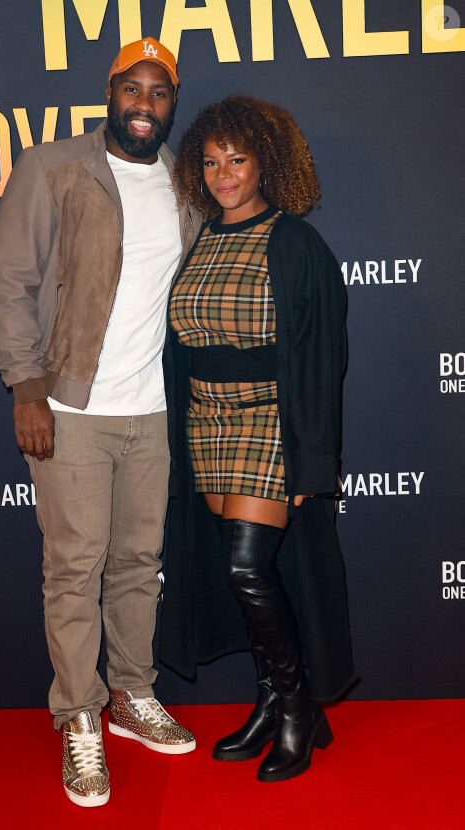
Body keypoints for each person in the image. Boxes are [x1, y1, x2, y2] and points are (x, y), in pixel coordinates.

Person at [0, 38, 202, 808]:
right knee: (74, 572)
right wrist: (26, 388)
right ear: (109, 91)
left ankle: (133, 696)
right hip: (72, 411)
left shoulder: (184, 182)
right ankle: (80, 715)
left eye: (160, 93)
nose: (145, 105)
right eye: (132, 89)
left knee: (139, 564)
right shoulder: (53, 168)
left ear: (173, 102)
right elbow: (10, 284)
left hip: (151, 409)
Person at [164, 95, 355, 782]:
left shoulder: (296, 243)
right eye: (211, 162)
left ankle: (299, 707)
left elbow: (320, 356)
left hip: (269, 422)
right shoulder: (202, 238)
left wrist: (314, 457)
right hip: (205, 423)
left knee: (248, 568)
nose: (223, 174)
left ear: (265, 162)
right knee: (245, 577)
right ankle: (272, 698)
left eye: (237, 160)